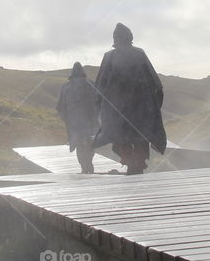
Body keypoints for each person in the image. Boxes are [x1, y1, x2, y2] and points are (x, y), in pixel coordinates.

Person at [92, 23, 167, 175]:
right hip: (141, 107)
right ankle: (137, 164)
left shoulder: (109, 56)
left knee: (118, 136)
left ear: (115, 39)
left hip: (116, 108)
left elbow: (100, 85)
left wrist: (99, 106)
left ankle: (130, 161)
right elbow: (155, 82)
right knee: (140, 136)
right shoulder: (139, 54)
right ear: (129, 37)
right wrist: (155, 105)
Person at [56, 62, 100, 174]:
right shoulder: (91, 84)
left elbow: (60, 106)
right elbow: (99, 101)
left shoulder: (66, 86)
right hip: (90, 120)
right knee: (90, 142)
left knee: (78, 143)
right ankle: (88, 163)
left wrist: (65, 118)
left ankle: (84, 166)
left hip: (73, 122)